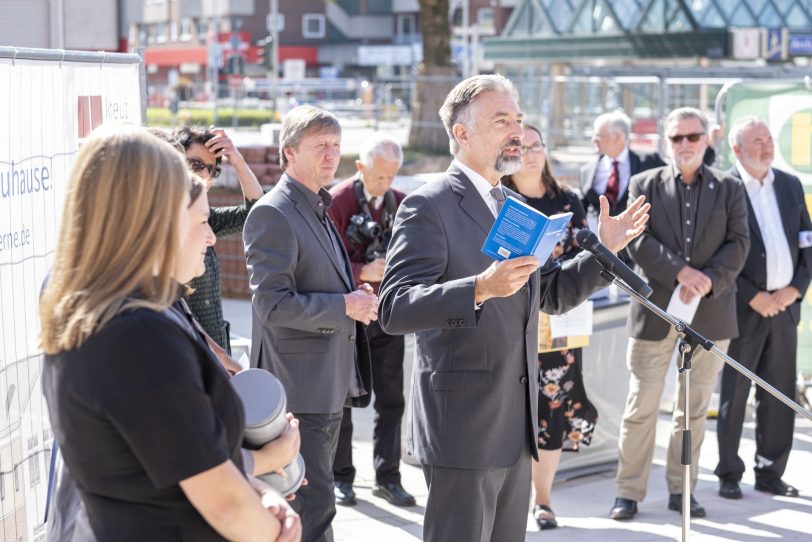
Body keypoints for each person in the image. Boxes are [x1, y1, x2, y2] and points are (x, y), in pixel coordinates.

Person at [377, 74, 651, 542]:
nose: (517, 133)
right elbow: (394, 308)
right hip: (461, 426)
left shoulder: (514, 205)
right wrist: (479, 288)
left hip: (516, 426)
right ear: (461, 134)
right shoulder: (428, 205)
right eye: (501, 120)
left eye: (519, 120)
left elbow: (550, 294)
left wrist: (603, 250)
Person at [39, 124, 299, 541]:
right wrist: (270, 527)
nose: (211, 235)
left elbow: (171, 467)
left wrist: (255, 490)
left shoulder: (95, 304)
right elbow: (219, 500)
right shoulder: (138, 332)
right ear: (155, 222)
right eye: (200, 220)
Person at [610, 107, 750, 521]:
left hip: (710, 310)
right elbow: (636, 239)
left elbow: (739, 242)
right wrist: (679, 271)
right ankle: (628, 492)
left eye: (693, 137)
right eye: (677, 138)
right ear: (666, 142)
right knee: (642, 407)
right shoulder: (643, 184)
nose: (685, 145)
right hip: (654, 311)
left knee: (693, 409)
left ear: (707, 140)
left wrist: (708, 278)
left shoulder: (729, 188)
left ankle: (682, 490)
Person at [243, 105, 376, 542]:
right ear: (289, 152)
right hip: (299, 389)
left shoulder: (317, 205)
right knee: (312, 510)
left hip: (325, 385)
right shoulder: (273, 213)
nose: (331, 154)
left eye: (336, 145)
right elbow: (272, 305)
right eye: (320, 145)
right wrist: (344, 306)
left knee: (317, 507)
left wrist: (355, 298)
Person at [502, 123, 596, 531]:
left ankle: (543, 499)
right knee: (511, 412)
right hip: (513, 324)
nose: (532, 152)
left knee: (553, 411)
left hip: (560, 324)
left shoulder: (567, 199)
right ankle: (510, 498)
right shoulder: (500, 198)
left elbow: (583, 259)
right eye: (523, 146)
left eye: (538, 144)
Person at [715, 117, 812, 500]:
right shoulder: (724, 188)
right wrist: (751, 295)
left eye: (769, 139)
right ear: (737, 149)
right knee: (734, 394)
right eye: (757, 141)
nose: (767, 146)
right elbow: (716, 253)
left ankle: (771, 471)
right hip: (743, 309)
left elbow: (807, 242)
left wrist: (796, 289)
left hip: (785, 307)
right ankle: (728, 472)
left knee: (779, 393)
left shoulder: (788, 184)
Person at [328, 134, 415, 507]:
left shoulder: (402, 203)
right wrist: (364, 268)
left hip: (387, 314)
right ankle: (341, 476)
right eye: (380, 177)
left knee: (392, 399)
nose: (386, 185)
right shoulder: (337, 201)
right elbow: (322, 261)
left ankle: (388, 476)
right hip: (350, 316)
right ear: (360, 167)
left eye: (392, 176)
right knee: (345, 399)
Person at [174, 126, 263, 353]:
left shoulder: (207, 218)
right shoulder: (162, 225)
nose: (204, 174)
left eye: (212, 171)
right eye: (195, 164)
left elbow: (256, 212)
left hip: (216, 351)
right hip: (190, 352)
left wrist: (236, 158)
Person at [580, 111, 664, 219]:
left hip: (636, 232)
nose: (593, 140)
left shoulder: (650, 163)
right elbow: (581, 208)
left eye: (598, 135)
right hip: (597, 233)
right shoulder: (587, 171)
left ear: (617, 137)